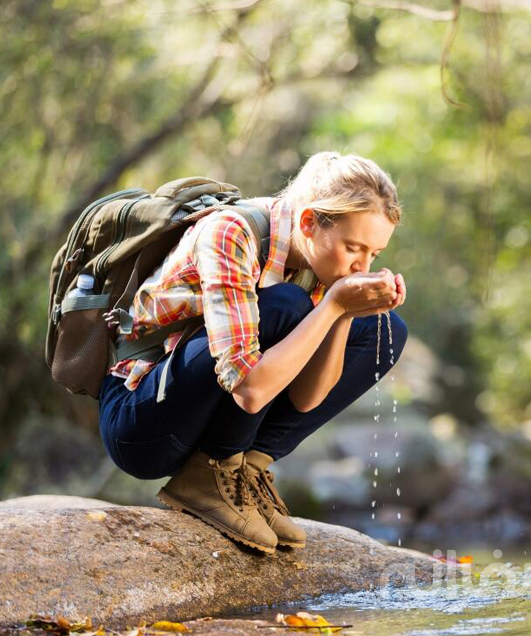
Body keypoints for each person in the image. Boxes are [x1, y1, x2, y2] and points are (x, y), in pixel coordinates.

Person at [98, 152, 408, 554]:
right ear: (309, 222)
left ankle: (247, 471)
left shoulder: (314, 262)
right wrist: (330, 306)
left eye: (373, 256)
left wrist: (346, 313)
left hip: (201, 410)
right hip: (141, 422)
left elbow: (306, 399)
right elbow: (250, 391)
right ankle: (212, 471)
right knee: (288, 306)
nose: (362, 266)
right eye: (354, 248)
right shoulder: (231, 232)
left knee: (384, 330)